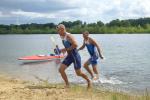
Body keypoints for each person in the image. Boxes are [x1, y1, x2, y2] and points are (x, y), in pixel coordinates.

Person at [56, 24, 91, 88]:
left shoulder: (68, 36)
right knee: (61, 70)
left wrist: (65, 49)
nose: (57, 32)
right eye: (57, 30)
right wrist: (61, 50)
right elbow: (68, 47)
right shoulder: (62, 37)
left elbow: (75, 45)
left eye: (58, 30)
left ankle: (89, 81)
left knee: (78, 73)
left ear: (62, 29)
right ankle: (67, 85)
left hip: (75, 56)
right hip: (69, 56)